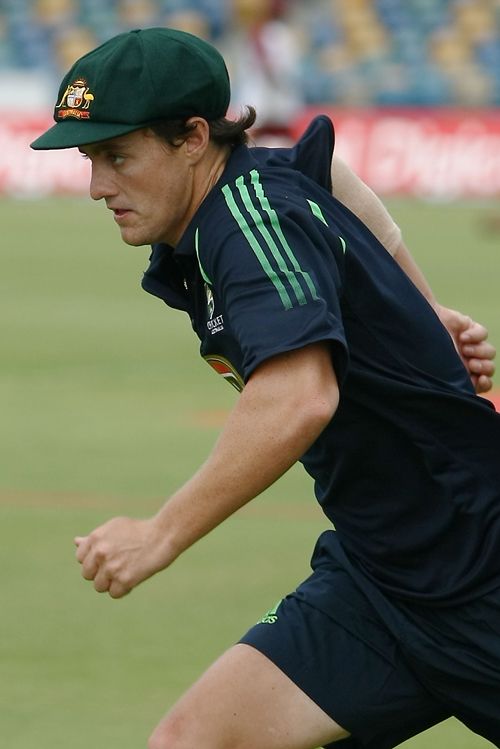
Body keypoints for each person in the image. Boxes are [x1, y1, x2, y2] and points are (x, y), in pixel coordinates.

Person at [31, 28, 499, 749]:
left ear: (192, 137)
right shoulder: (236, 198)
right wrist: (420, 306)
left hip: (480, 563)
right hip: (383, 576)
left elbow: (299, 395)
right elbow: (330, 168)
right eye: (93, 159)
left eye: (118, 157)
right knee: (190, 741)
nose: (99, 186)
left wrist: (160, 533)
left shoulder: (244, 224)